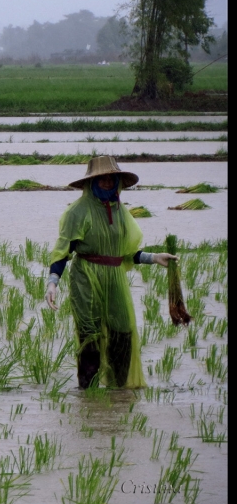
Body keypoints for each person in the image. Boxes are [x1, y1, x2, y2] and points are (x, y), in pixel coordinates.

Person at [45, 156, 178, 389]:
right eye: (101, 178)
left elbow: (126, 253)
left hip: (115, 279)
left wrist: (154, 258)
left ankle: (118, 393)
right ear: (91, 182)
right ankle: (88, 393)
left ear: (118, 181)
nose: (107, 182)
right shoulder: (77, 212)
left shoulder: (120, 211)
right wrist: (53, 282)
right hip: (86, 277)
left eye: (111, 178)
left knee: (122, 333)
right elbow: (64, 250)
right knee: (90, 336)